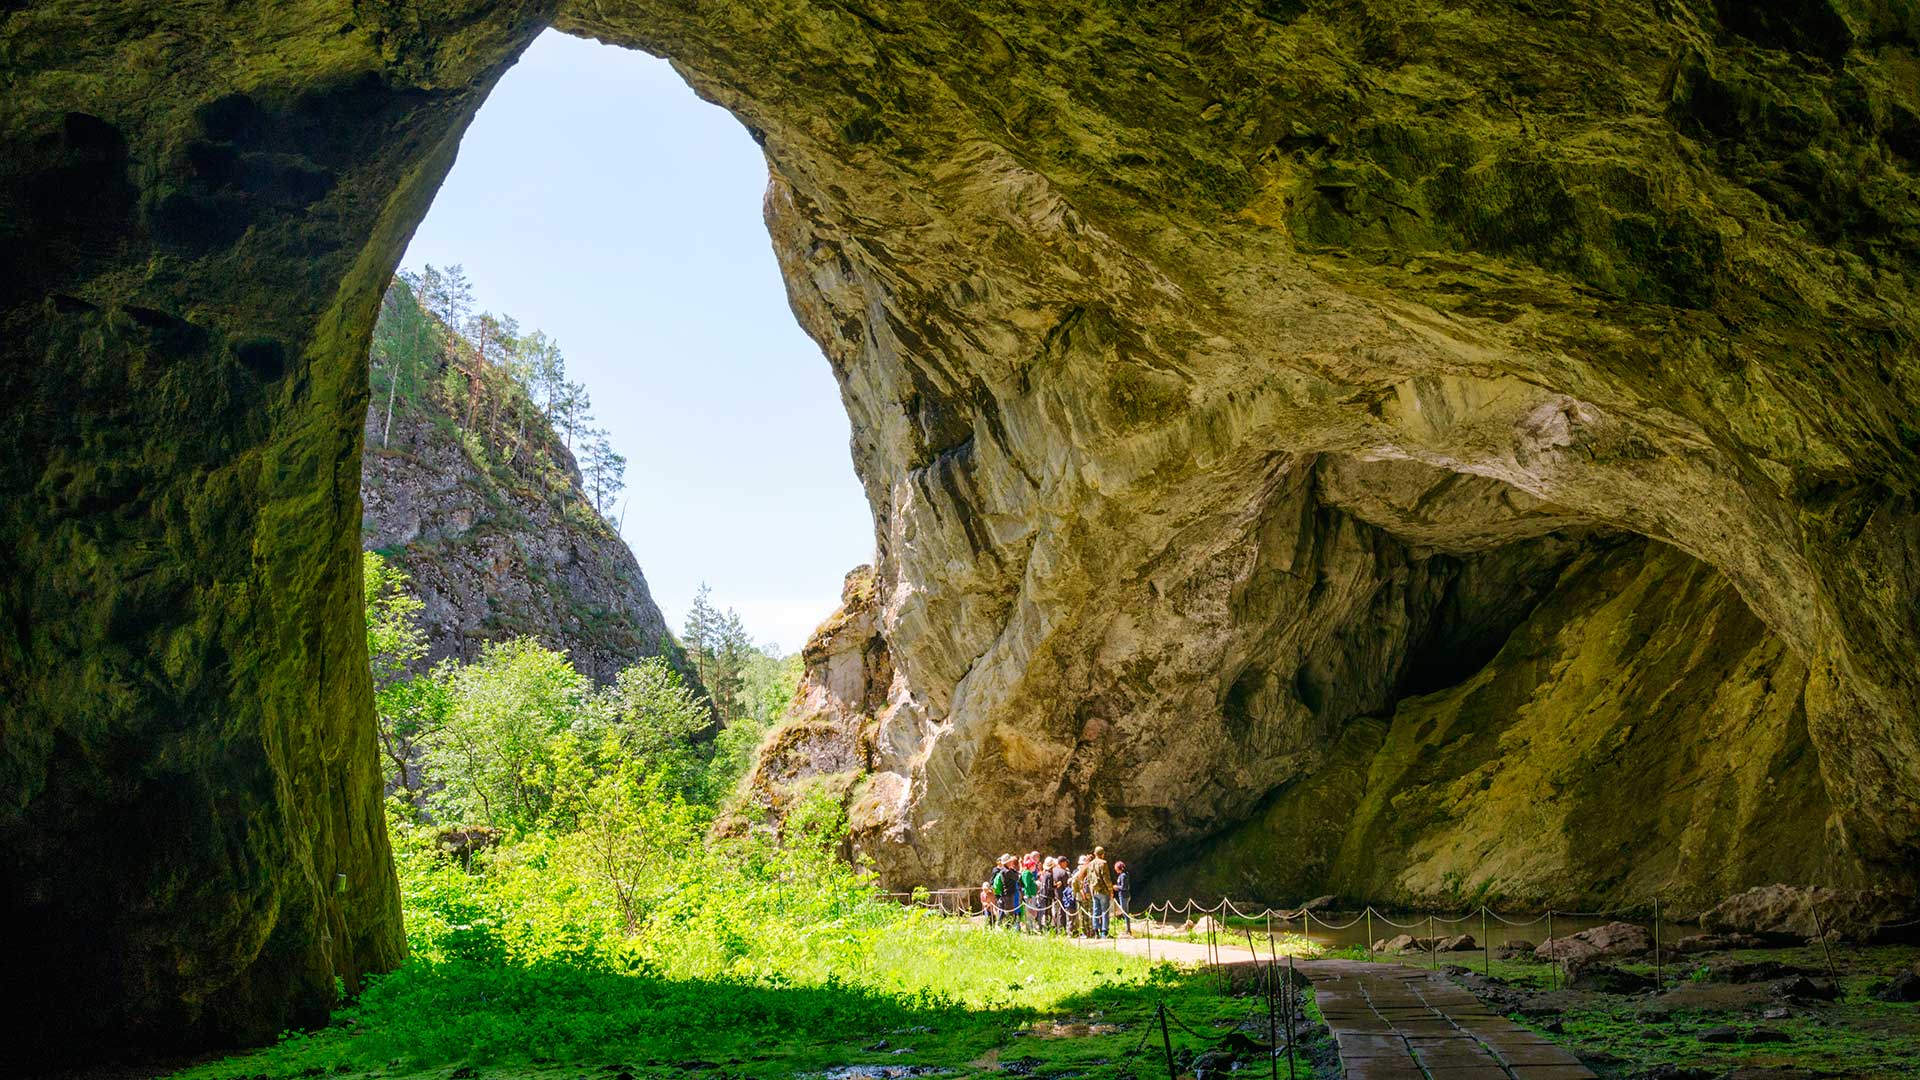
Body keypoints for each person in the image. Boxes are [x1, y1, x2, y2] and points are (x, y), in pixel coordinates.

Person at [1087, 845, 1115, 937]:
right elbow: (1106, 878)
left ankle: (1095, 931)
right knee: (1104, 911)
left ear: (1095, 854)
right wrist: (1110, 890)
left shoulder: (1090, 864)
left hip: (1094, 891)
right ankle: (1104, 931)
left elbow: (1089, 878)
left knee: (1096, 911)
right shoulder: (1103, 863)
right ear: (1102, 854)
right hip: (1103, 891)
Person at [990, 853, 1022, 929]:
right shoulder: (1006, 871)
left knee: (1007, 913)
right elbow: (1017, 877)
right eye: (1010, 861)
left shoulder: (1005, 870)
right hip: (1009, 896)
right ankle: (1008, 930)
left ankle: (1007, 928)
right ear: (1007, 862)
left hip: (1007, 895)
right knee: (1010, 914)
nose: (1011, 862)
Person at [1048, 856, 1071, 932]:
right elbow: (1066, 886)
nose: (1066, 864)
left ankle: (1055, 928)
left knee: (1055, 912)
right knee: (1062, 912)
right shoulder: (1063, 873)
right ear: (1062, 863)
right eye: (1065, 862)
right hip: (1062, 895)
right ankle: (1062, 929)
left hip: (1053, 894)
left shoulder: (1053, 870)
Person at [1019, 853, 1040, 932]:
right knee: (1030, 912)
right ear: (1030, 866)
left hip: (1031, 894)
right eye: (1033, 865)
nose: (1035, 867)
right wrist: (1030, 895)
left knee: (1031, 912)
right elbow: (1027, 885)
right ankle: (1030, 928)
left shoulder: (1028, 873)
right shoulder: (1027, 873)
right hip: (1029, 895)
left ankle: (1031, 927)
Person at [1112, 859, 1131, 935]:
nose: (1115, 869)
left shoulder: (1123, 875)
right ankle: (1127, 929)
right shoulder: (1123, 875)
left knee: (1125, 913)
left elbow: (1124, 887)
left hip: (1124, 896)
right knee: (1124, 912)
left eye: (1116, 868)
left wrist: (1117, 887)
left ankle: (1128, 930)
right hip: (1123, 895)